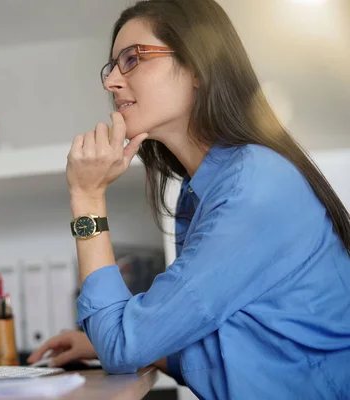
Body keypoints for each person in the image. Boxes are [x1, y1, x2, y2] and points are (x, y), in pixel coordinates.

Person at [27, 0, 350, 398]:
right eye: (111, 67)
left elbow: (122, 347)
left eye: (133, 58)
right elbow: (229, 345)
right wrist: (112, 343)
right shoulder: (199, 192)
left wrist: (87, 195)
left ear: (197, 67)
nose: (111, 82)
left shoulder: (253, 184)